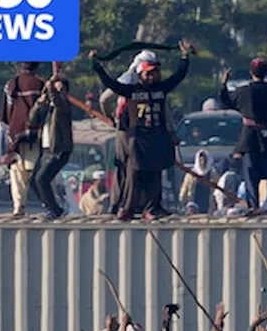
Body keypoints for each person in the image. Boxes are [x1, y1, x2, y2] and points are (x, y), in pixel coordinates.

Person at [89, 42, 192, 221]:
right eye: (148, 73)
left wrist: (185, 56)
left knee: (155, 173)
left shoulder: (161, 89)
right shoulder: (131, 90)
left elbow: (179, 76)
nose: (152, 77)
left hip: (157, 137)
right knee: (134, 174)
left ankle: (153, 208)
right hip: (137, 139)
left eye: (155, 73)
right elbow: (110, 84)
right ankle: (128, 208)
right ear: (140, 74)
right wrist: (97, 66)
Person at [218, 59, 267, 214]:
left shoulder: (244, 91)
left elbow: (225, 99)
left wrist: (223, 84)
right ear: (266, 73)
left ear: (251, 73)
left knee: (251, 173)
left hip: (250, 137)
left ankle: (254, 205)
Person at [0, 62, 45, 215]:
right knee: (39, 172)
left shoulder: (11, 85)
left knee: (17, 172)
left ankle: (19, 206)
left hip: (15, 135)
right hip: (36, 135)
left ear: (20, 67)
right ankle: (48, 203)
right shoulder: (42, 85)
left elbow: (5, 115)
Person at [30, 74, 75, 219]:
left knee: (41, 179)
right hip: (46, 148)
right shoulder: (48, 106)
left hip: (59, 149)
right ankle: (50, 205)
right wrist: (40, 102)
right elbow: (32, 118)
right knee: (33, 181)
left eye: (61, 88)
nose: (57, 90)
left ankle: (56, 210)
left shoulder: (64, 104)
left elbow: (57, 100)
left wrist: (50, 87)